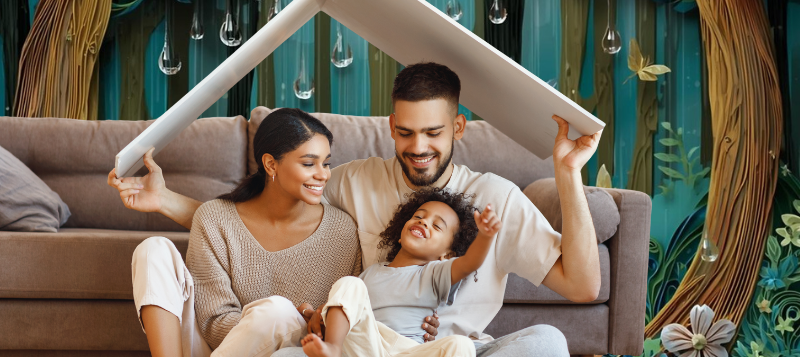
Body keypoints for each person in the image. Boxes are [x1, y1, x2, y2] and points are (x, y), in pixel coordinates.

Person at [111, 61, 602, 357]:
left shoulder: (494, 197)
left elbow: (582, 286)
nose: (419, 147)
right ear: (391, 126)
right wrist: (168, 202)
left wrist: (567, 173)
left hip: (453, 349)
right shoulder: (352, 181)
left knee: (546, 343)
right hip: (365, 344)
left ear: (458, 128)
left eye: (433, 133)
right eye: (406, 132)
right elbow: (263, 214)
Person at [109, 109, 364, 357]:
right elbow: (213, 324)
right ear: (270, 164)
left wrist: (304, 321)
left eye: (327, 163)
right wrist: (271, 320)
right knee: (152, 249)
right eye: (309, 163)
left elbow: (343, 321)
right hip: (214, 348)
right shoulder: (214, 218)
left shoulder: (342, 231)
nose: (323, 174)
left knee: (278, 311)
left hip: (292, 351)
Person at [300, 187, 501, 357]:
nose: (424, 222)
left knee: (461, 345)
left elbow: (469, 263)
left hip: (407, 350)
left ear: (447, 255)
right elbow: (345, 304)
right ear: (399, 234)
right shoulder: (371, 272)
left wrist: (485, 237)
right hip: (367, 344)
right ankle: (332, 349)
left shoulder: (434, 274)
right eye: (419, 216)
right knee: (350, 283)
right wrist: (314, 311)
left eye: (437, 226)